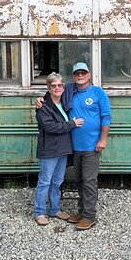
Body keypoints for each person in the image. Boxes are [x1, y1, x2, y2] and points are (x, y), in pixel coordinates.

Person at [62, 63, 112, 230]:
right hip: (75, 146)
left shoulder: (98, 92)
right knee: (79, 180)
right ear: (73, 76)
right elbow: (52, 94)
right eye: (77, 73)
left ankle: (90, 216)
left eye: (83, 73)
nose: (80, 76)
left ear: (89, 75)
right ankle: (82, 211)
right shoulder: (69, 91)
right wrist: (40, 100)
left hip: (92, 146)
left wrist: (102, 140)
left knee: (89, 181)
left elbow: (106, 117)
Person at [34, 72, 84, 226]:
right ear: (49, 88)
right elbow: (50, 127)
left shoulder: (64, 103)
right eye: (53, 85)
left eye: (59, 85)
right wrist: (72, 124)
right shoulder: (43, 107)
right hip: (49, 150)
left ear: (63, 87)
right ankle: (39, 212)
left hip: (62, 149)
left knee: (57, 181)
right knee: (45, 182)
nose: (57, 88)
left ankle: (54, 210)